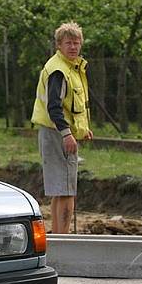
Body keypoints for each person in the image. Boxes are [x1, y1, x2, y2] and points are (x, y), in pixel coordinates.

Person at [30, 22, 93, 234]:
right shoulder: (59, 70)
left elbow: (71, 105)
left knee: (60, 190)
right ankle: (63, 237)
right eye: (69, 43)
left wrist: (82, 129)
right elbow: (54, 107)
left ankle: (57, 236)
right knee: (66, 192)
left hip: (55, 133)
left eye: (76, 43)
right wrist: (67, 134)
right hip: (57, 134)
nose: (73, 47)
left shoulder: (70, 67)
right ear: (59, 45)